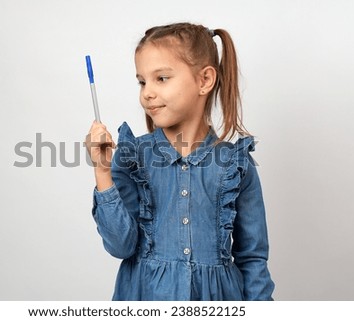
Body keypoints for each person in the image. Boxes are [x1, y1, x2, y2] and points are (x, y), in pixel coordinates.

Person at [85, 22, 275, 300]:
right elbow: (120, 246)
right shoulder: (132, 157)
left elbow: (253, 258)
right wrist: (103, 170)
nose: (147, 92)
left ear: (204, 80)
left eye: (161, 78)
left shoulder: (235, 164)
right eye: (142, 81)